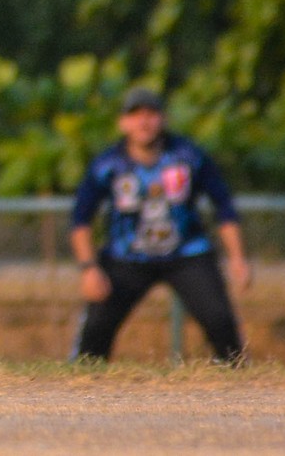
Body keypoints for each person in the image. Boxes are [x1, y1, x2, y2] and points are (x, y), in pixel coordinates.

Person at [69, 85, 252, 364]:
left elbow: (224, 207)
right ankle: (83, 377)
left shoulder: (188, 157)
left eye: (151, 114)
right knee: (95, 330)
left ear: (163, 119)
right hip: (126, 256)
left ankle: (235, 373)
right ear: (123, 123)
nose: (144, 122)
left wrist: (237, 258)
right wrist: (88, 268)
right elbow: (81, 218)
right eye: (135, 115)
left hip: (186, 253)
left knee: (220, 320)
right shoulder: (108, 164)